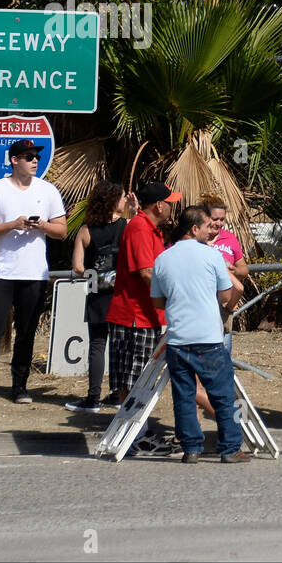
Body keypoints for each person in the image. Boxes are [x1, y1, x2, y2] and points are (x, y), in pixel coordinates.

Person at [0, 139, 68, 402]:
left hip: (34, 274)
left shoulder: (48, 191)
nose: (35, 160)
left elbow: (62, 231)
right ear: (14, 160)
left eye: (36, 156)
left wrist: (42, 226)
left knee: (27, 332)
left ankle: (19, 387)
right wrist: (13, 224)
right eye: (28, 156)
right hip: (0, 272)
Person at [150, 205, 247, 464]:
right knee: (223, 395)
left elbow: (158, 302)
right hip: (208, 337)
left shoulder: (163, 258)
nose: (211, 231)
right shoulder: (211, 256)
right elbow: (226, 296)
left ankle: (191, 448)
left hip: (178, 338)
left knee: (183, 396)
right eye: (206, 226)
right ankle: (230, 448)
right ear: (194, 228)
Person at [105, 181, 180, 454]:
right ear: (159, 205)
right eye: (170, 201)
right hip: (133, 316)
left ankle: (138, 433)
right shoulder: (138, 227)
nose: (172, 206)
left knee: (138, 378)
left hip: (145, 315)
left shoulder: (149, 228)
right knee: (133, 379)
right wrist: (176, 296)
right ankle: (136, 436)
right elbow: (146, 272)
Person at [65, 181, 135, 413]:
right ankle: (117, 394)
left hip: (97, 292)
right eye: (123, 196)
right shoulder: (126, 226)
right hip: (122, 293)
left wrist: (98, 277)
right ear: (114, 200)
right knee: (119, 345)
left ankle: (93, 398)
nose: (125, 200)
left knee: (97, 344)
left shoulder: (85, 230)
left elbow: (77, 267)